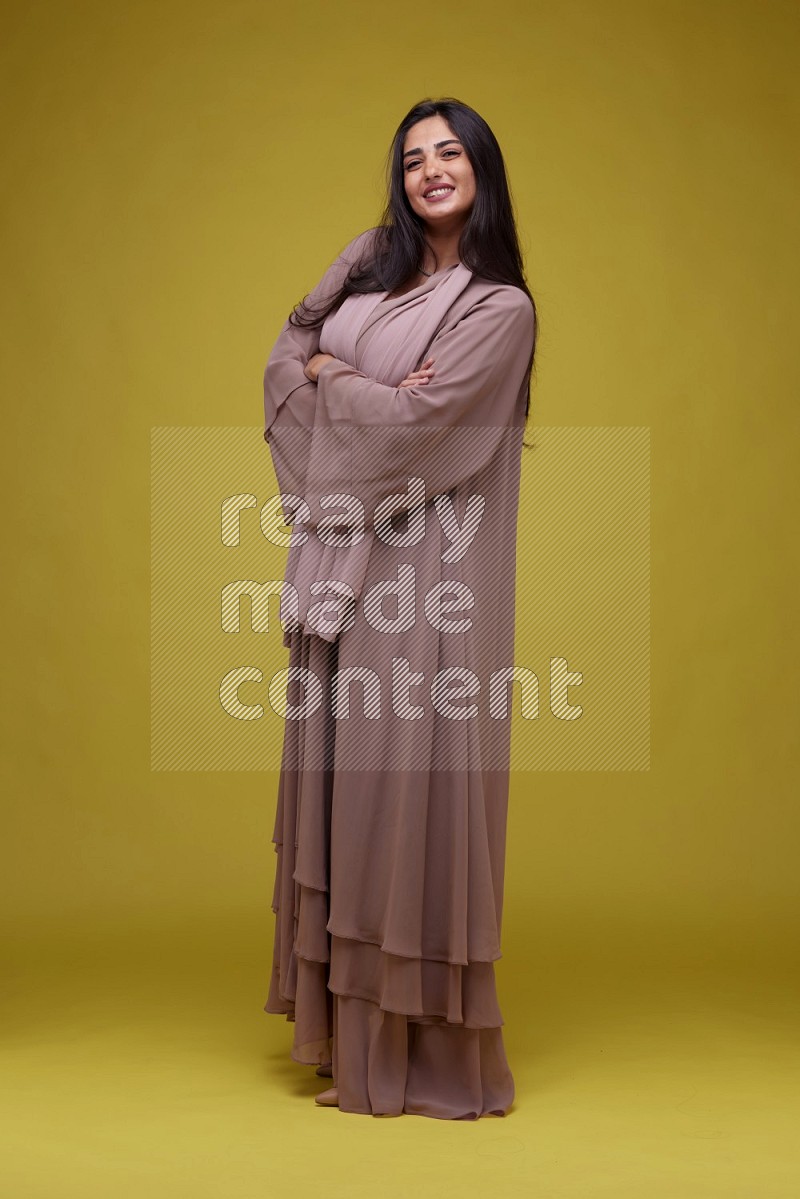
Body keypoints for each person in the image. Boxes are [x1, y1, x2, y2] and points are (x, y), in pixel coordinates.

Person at [261, 97, 538, 1120]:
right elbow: (279, 364)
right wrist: (341, 374)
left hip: (428, 575)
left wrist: (335, 373)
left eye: (449, 152)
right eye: (413, 156)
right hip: (337, 567)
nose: (430, 169)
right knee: (341, 784)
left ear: (480, 169)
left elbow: (423, 431)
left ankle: (409, 1049)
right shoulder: (366, 258)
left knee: (401, 794)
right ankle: (344, 1035)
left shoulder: (497, 308)